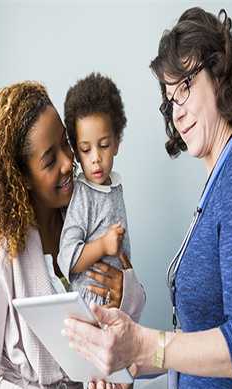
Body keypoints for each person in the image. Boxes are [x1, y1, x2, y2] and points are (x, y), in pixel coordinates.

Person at [63, 7, 232, 389]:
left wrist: (143, 344)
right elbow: (199, 337)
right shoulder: (219, 182)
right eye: (170, 98)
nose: (178, 110)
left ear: (220, 74)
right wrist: (130, 359)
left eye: (185, 85)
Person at [0, 81, 146, 389]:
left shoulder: (87, 214)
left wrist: (124, 291)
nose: (67, 163)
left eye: (66, 144)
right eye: (50, 160)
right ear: (22, 177)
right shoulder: (1, 250)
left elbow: (126, 319)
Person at [58, 72, 131, 310]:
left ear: (117, 142)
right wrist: (103, 246)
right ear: (76, 152)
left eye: (104, 145)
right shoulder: (83, 194)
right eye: (86, 149)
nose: (96, 158)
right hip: (89, 307)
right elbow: (67, 257)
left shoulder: (114, 187)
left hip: (115, 302)